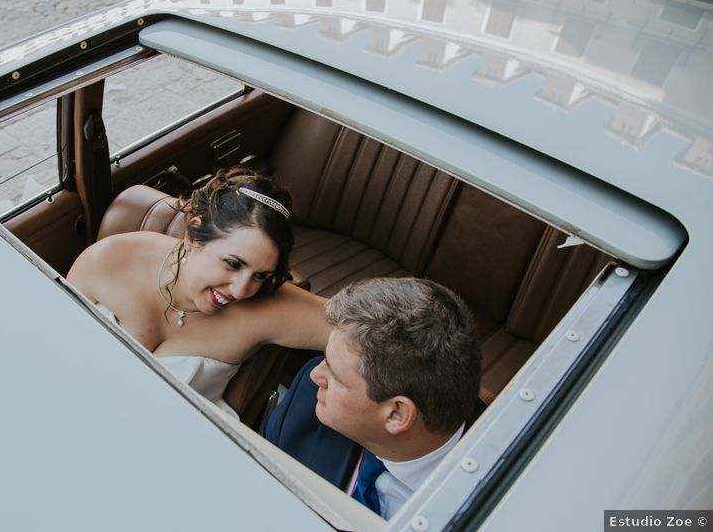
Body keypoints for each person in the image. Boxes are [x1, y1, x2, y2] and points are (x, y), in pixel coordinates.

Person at [66, 167, 329, 415]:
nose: (240, 291)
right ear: (192, 234)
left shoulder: (265, 310)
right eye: (233, 263)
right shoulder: (108, 260)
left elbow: (359, 334)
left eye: (261, 276)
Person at [263, 277, 483, 520]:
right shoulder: (307, 400)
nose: (316, 374)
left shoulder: (485, 508)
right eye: (325, 357)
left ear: (396, 414)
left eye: (335, 375)